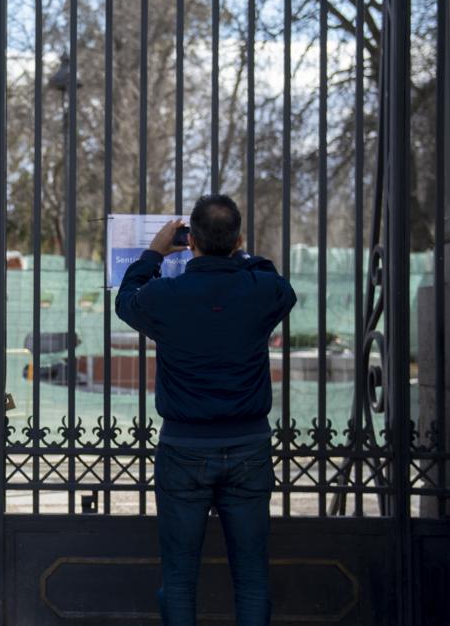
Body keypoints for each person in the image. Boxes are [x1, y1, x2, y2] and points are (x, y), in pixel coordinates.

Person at [114, 194, 296, 626]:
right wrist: (238, 253)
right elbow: (279, 285)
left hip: (184, 447)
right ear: (238, 240)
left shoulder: (166, 295)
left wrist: (154, 252)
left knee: (179, 580)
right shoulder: (259, 288)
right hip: (249, 445)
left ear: (189, 239)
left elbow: (126, 299)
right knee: (252, 578)